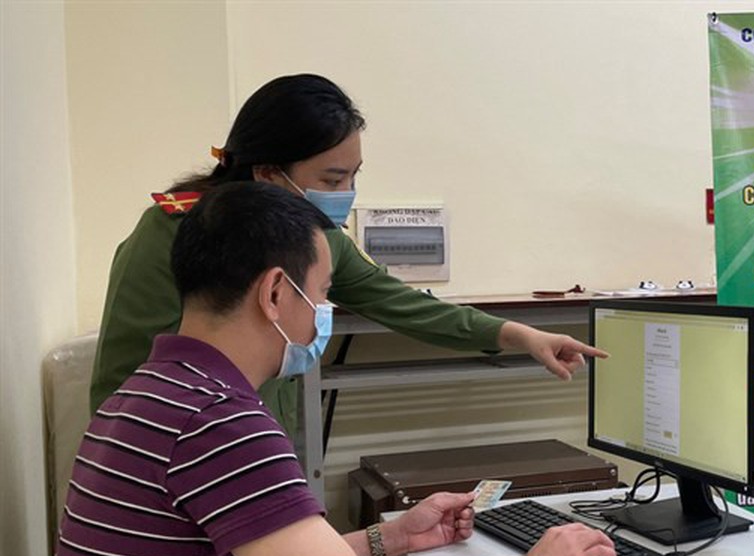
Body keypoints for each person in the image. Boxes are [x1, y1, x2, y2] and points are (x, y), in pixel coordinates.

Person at [53, 182, 617, 556]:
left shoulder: (150, 391)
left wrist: (393, 538)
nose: (323, 312)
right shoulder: (219, 422)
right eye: (322, 293)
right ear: (276, 293)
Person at [90, 73, 605, 434]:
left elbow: (400, 304)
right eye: (333, 179)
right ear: (267, 173)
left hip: (265, 441)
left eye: (354, 176)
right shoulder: (171, 231)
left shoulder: (315, 234)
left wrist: (519, 334)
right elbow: (123, 380)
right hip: (180, 457)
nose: (346, 194)